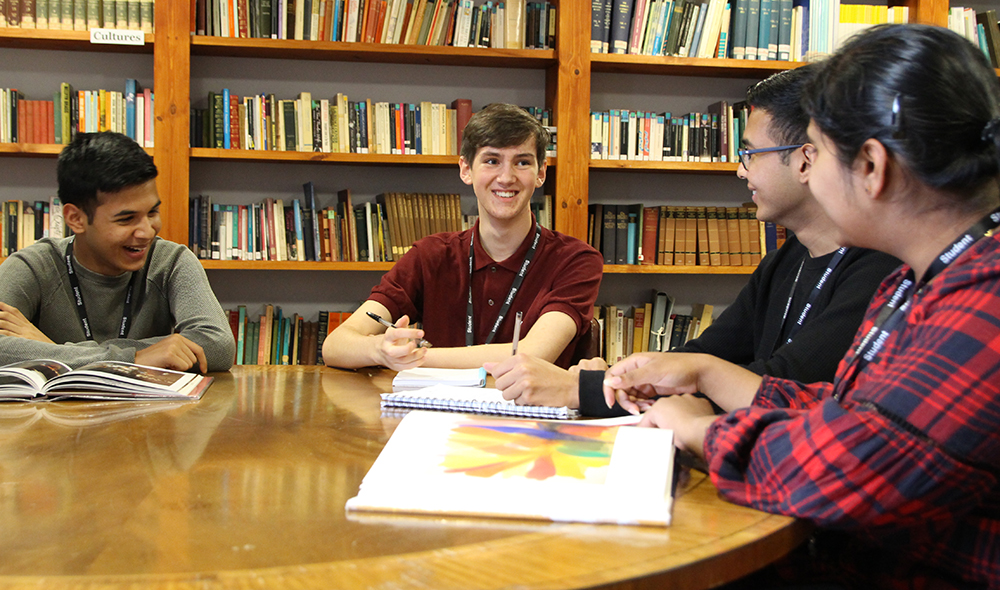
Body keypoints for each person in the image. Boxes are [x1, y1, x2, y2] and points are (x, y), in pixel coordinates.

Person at [604, 24, 1000, 588]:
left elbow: (855, 467)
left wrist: (702, 434)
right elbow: (851, 409)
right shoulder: (918, 281)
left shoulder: (985, 300)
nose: (809, 173)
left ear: (871, 167)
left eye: (819, 155)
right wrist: (704, 375)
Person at [486, 65, 900, 416]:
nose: (741, 172)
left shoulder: (881, 267)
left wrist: (583, 390)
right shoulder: (786, 258)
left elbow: (778, 387)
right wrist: (614, 374)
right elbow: (705, 354)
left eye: (750, 155)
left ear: (807, 159)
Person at [323, 103, 603, 370]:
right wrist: (379, 351)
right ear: (466, 170)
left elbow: (531, 354)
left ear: (541, 172)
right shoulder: (431, 255)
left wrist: (414, 358)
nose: (506, 177)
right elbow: (335, 346)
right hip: (436, 413)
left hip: (526, 417)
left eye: (522, 162)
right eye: (492, 161)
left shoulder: (576, 260)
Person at [0, 131, 235, 373]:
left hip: (151, 411)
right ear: (76, 218)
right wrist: (135, 358)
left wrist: (54, 352)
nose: (147, 232)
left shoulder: (170, 261)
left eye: (152, 213)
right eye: (127, 219)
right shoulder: (33, 266)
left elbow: (217, 345)